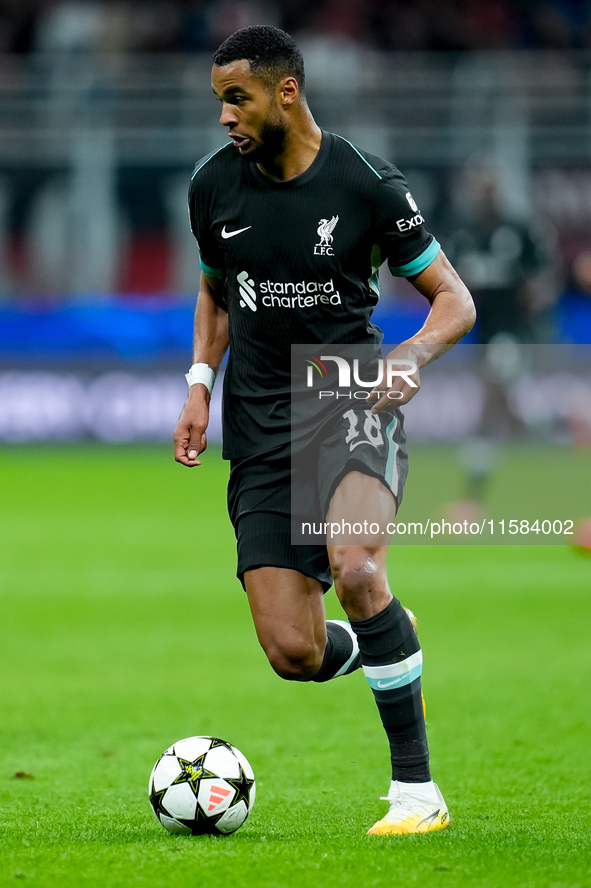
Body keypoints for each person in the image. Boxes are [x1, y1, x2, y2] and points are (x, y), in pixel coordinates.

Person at [173, 25, 475, 836]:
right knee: (293, 654)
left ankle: (415, 792)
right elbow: (215, 292)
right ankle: (386, 637)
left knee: (354, 565)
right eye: (218, 101)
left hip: (349, 404)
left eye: (236, 98)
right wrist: (200, 382)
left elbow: (454, 301)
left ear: (286, 92)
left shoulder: (366, 183)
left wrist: (408, 358)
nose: (225, 116)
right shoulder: (212, 187)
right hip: (259, 426)